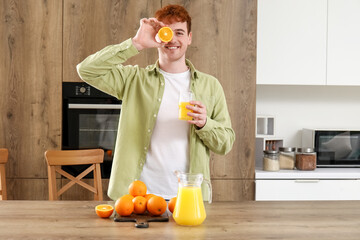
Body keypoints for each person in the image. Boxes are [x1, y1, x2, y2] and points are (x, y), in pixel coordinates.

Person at [77, 4, 235, 201]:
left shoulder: (211, 86)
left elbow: (225, 144)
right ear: (159, 37)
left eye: (180, 32)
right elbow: (87, 70)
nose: (173, 39)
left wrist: (205, 124)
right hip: (138, 197)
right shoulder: (134, 80)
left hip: (188, 198)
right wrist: (136, 44)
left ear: (189, 38)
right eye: (167, 33)